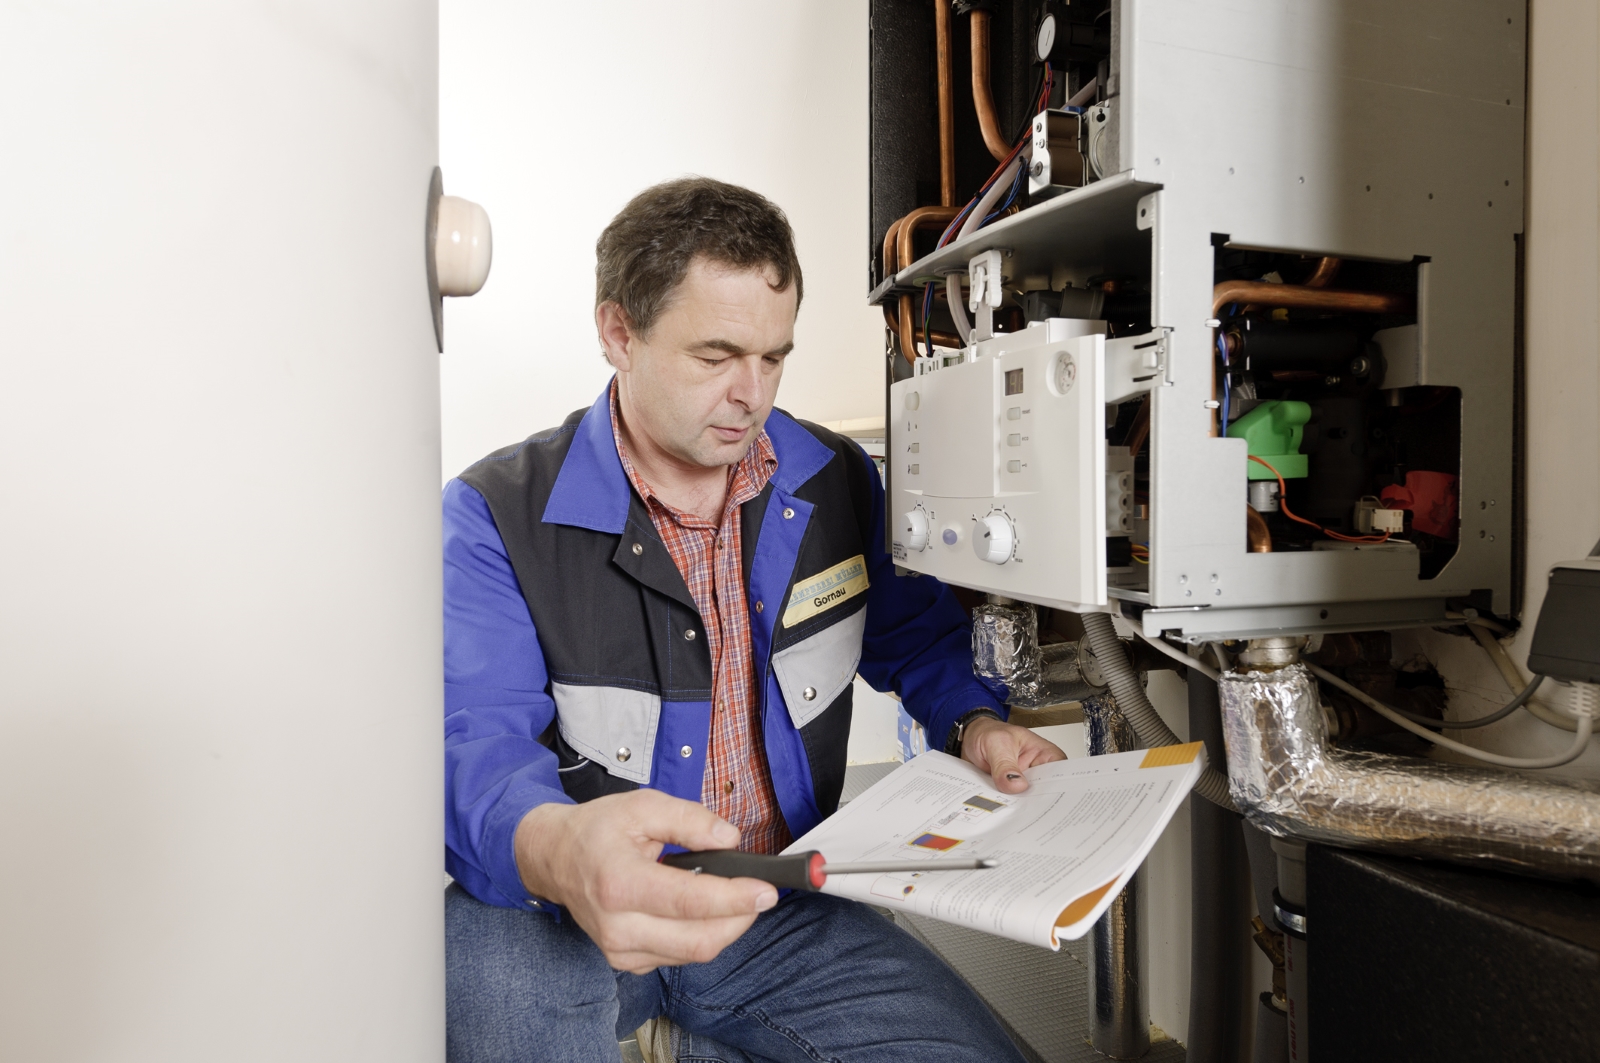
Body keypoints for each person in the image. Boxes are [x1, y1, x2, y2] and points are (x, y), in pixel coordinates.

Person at [442, 176, 1065, 1062]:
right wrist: (562, 849)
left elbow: (913, 635)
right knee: (477, 965)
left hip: (776, 906)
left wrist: (975, 722)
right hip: (566, 912)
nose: (752, 392)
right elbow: (476, 746)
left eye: (774, 357)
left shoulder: (833, 479)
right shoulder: (495, 517)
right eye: (716, 356)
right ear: (619, 332)